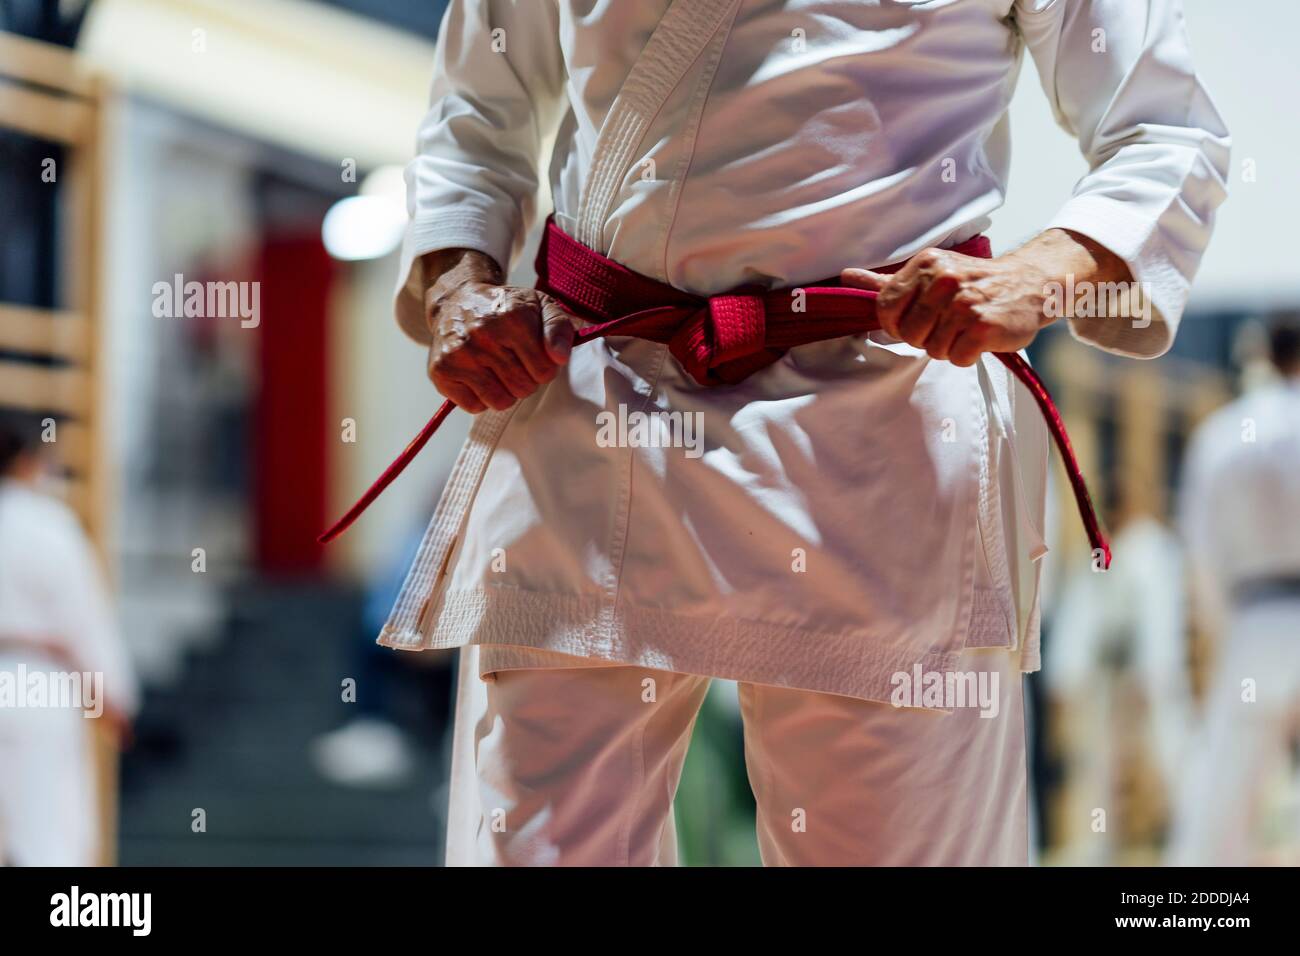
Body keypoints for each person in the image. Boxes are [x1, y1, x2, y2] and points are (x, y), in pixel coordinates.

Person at [380, 0, 1229, 865]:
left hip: (884, 417)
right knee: (532, 850)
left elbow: (1167, 130)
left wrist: (1041, 274)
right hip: (596, 392)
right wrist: (459, 282)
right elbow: (474, 108)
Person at [1168, 317, 1300, 866]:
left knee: (1219, 807)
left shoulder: (1224, 433)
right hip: (1264, 611)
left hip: (1254, 622)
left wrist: (1228, 635)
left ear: (1266, 354)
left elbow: (1200, 556)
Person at [0, 411, 139, 865]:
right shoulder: (51, 527)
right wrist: (115, 699)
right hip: (39, 684)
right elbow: (84, 622)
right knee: (48, 838)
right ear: (26, 460)